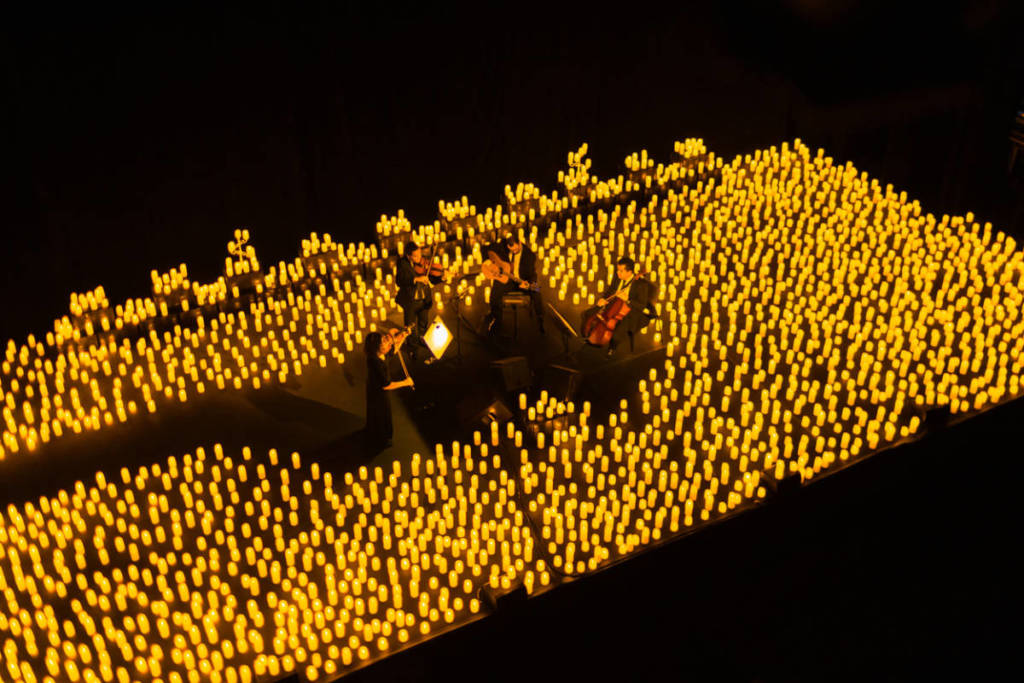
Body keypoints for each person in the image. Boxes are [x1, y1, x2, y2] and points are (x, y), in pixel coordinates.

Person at [582, 256, 650, 358]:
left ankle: (612, 348)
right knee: (587, 313)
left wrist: (627, 300)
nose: (618, 273)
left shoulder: (641, 285)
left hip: (629, 311)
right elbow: (610, 291)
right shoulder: (618, 277)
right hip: (612, 305)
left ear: (629, 272)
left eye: (621, 271)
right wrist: (603, 299)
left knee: (617, 333)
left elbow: (641, 305)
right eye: (618, 270)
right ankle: (591, 334)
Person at [485, 233, 544, 336]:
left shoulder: (529, 256)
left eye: (516, 250)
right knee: (494, 293)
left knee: (537, 290)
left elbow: (532, 274)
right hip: (508, 278)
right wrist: (491, 262)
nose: (514, 252)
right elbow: (488, 249)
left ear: (520, 243)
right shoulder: (503, 245)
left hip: (523, 280)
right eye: (511, 250)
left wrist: (528, 284)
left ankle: (540, 318)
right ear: (508, 246)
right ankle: (496, 318)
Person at [363, 330, 414, 449]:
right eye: (384, 343)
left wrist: (402, 338)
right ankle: (382, 439)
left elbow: (394, 350)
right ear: (377, 348)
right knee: (382, 415)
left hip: (375, 388)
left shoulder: (378, 354)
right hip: (378, 393)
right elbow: (386, 385)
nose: (388, 343)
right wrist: (405, 382)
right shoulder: (375, 362)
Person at [395, 242, 436, 362]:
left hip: (424, 299)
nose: (419, 258)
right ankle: (413, 348)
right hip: (411, 300)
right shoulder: (402, 263)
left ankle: (422, 339)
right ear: (409, 256)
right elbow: (399, 280)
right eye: (416, 256)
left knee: (423, 322)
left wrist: (442, 276)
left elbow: (433, 275)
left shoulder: (422, 262)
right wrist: (416, 278)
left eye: (420, 254)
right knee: (410, 326)